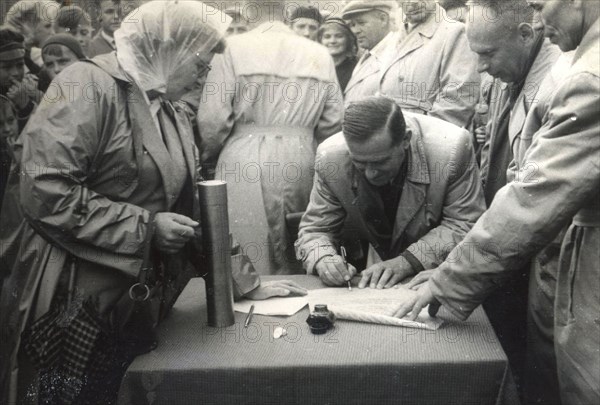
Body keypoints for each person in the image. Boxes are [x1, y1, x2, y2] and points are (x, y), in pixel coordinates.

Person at [0, 2, 306, 404]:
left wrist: (242, 281)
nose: (206, 72)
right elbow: (44, 188)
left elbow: (193, 206)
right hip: (73, 300)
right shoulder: (88, 85)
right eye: (200, 60)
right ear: (168, 49)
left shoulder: (165, 105)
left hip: (131, 302)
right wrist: (145, 227)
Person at [395, 1, 600, 403]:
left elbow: (534, 194)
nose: (539, 17)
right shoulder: (567, 61)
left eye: (541, 4)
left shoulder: (586, 75)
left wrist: (451, 278)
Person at [198, 0, 343, 276]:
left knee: (247, 250)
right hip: (301, 156)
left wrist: (210, 157)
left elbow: (212, 120)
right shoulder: (319, 53)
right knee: (300, 242)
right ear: (286, 13)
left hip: (243, 155)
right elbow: (334, 121)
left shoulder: (231, 48)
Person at [466, 0, 561, 395]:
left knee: (544, 372)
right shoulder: (509, 74)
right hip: (507, 248)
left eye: (487, 53)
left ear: (525, 34)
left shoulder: (560, 81)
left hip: (540, 252)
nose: (480, 67)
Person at [295, 96, 485, 288]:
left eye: (380, 162)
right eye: (359, 163)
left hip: (436, 276)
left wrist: (407, 261)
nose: (370, 174)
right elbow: (316, 229)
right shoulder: (330, 158)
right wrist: (323, 258)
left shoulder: (451, 149)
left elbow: (464, 223)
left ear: (405, 140)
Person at [343, 0, 480, 129]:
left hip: (422, 140)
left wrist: (418, 140)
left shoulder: (454, 32)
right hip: (392, 138)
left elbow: (457, 102)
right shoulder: (396, 37)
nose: (413, 2)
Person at [0, 28, 40, 131]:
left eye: (20, 65)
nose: (16, 73)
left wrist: (26, 105)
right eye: (7, 67)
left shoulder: (32, 89)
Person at [3, 0, 57, 70]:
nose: (53, 33)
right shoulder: (18, 62)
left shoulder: (31, 59)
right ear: (27, 25)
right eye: (47, 26)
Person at [318, 17, 358, 93]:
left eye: (339, 36)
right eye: (327, 37)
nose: (332, 41)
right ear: (320, 40)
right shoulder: (315, 67)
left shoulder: (356, 69)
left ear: (348, 40)